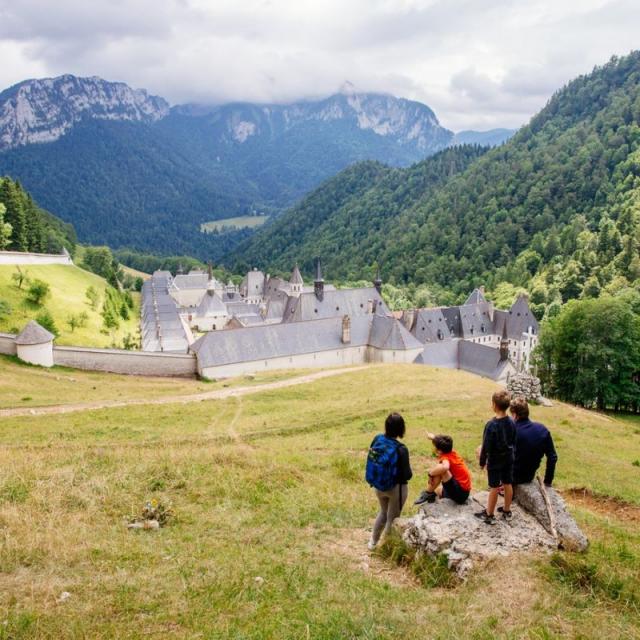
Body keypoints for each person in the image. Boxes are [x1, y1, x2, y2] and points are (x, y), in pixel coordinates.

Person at [366, 413, 412, 550]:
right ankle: (385, 548)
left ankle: (372, 543)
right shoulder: (401, 449)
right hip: (395, 489)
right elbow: (407, 475)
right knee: (392, 519)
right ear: (401, 429)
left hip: (378, 485)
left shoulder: (377, 439)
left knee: (383, 512)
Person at [474, 389, 516, 524]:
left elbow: (486, 446)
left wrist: (482, 462)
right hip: (509, 458)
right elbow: (514, 440)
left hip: (495, 460)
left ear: (494, 405)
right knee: (507, 483)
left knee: (494, 487)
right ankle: (507, 510)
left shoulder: (491, 425)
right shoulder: (512, 422)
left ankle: (489, 514)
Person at [510, 397, 558, 486]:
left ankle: (497, 486)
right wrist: (548, 481)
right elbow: (552, 457)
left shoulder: (512, 431)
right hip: (529, 476)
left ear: (515, 415)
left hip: (511, 477)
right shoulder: (542, 430)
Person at [414, 433, 471, 506]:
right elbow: (442, 443)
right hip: (463, 491)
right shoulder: (451, 451)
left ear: (439, 450)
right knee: (437, 491)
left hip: (460, 494)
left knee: (441, 469)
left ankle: (427, 493)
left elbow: (445, 467)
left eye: (435, 447)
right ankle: (430, 497)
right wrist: (432, 437)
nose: (434, 448)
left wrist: (430, 473)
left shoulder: (445, 458)